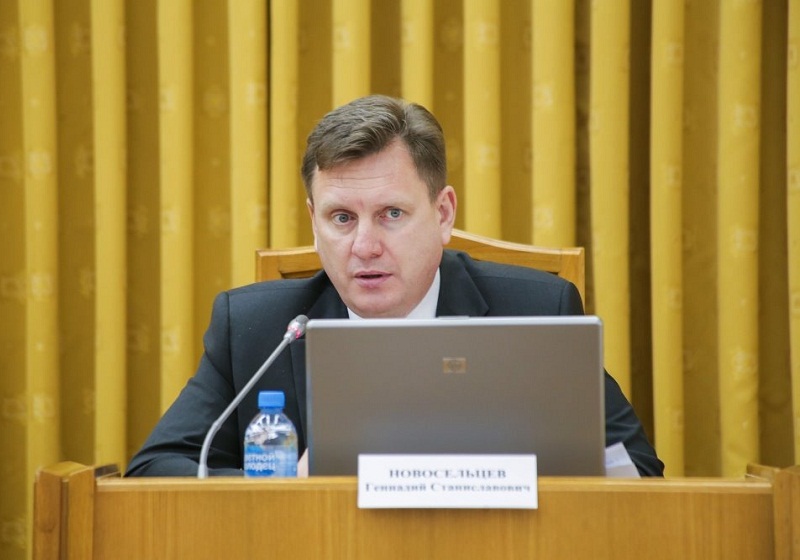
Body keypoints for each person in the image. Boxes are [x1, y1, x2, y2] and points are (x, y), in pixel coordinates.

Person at [126, 94, 664, 477]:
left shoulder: (537, 309)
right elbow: (156, 468)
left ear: (443, 213)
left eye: (391, 214)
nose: (364, 246)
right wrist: (285, 487)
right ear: (313, 220)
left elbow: (638, 469)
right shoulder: (255, 328)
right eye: (342, 218)